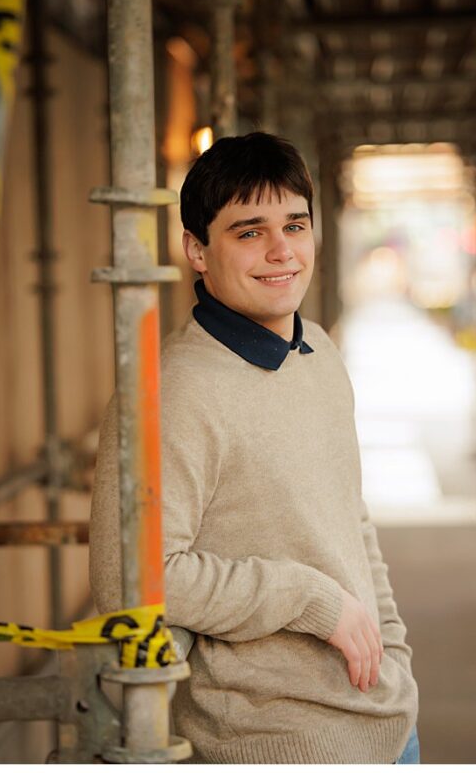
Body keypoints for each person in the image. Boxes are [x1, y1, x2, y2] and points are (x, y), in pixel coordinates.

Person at [91, 133, 421, 765]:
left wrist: (395, 652)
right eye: (248, 232)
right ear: (196, 249)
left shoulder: (319, 351)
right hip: (276, 741)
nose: (281, 251)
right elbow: (131, 580)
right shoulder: (173, 394)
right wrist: (310, 599)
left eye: (295, 225)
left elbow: (350, 520)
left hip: (389, 721)